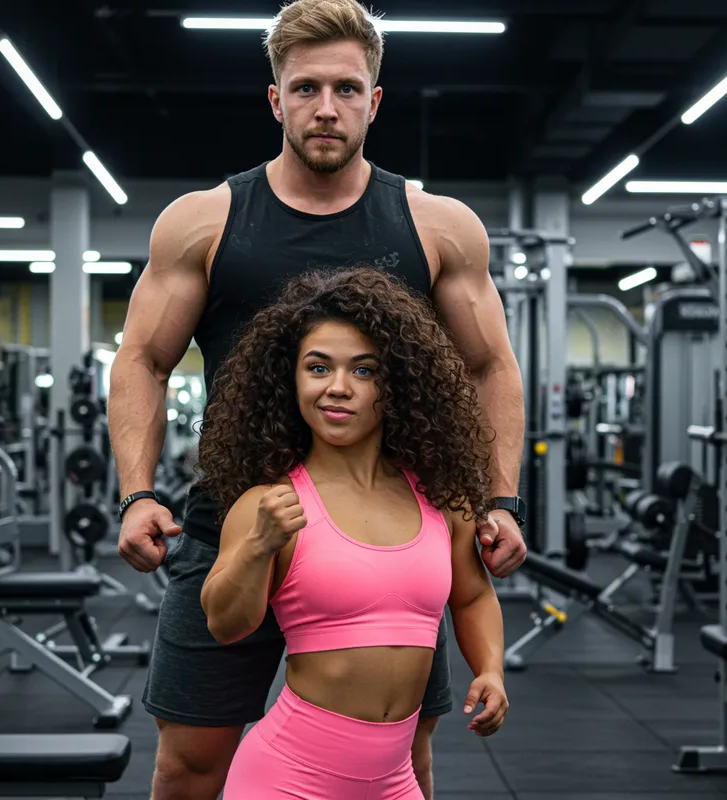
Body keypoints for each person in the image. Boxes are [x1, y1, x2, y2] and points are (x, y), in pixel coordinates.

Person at [108, 0, 526, 797]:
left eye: (345, 88)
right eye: (304, 89)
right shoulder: (206, 221)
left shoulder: (437, 225)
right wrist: (136, 493)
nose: (325, 108)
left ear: (375, 99)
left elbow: (492, 367)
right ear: (275, 100)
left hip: (387, 525)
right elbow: (142, 360)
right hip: (232, 523)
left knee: (401, 755)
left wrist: (501, 498)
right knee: (192, 762)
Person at [199, 266, 507, 799]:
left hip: (393, 783)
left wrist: (493, 670)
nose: (337, 388)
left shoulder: (440, 501)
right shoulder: (269, 504)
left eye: (364, 372)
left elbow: (474, 593)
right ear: (290, 379)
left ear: (399, 384)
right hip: (287, 780)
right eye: (318, 368)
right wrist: (257, 548)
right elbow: (225, 624)